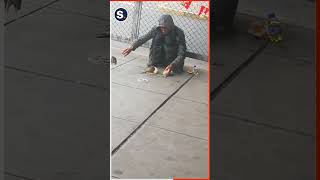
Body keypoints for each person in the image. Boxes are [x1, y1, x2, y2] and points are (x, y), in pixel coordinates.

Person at [122, 14, 187, 75]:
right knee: (156, 42)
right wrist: (132, 47)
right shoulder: (156, 29)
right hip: (157, 61)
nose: (163, 30)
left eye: (165, 28)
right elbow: (144, 38)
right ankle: (155, 63)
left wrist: (172, 65)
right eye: (162, 27)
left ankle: (169, 66)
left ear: (171, 26)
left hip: (171, 61)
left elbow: (181, 54)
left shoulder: (179, 33)